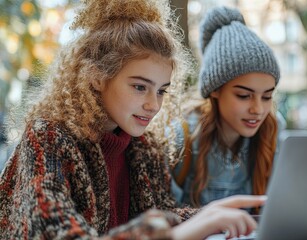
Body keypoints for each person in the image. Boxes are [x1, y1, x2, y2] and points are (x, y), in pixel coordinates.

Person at [0, 0, 267, 239]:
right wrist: (181, 234)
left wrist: (207, 214)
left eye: (162, 90)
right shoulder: (48, 138)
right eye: (140, 87)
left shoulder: (143, 147)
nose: (154, 105)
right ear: (96, 76)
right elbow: (57, 233)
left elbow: (161, 218)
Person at [170, 6, 285, 210]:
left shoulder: (273, 130)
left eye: (267, 96)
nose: (258, 109)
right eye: (244, 96)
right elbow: (163, 215)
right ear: (215, 90)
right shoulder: (181, 136)